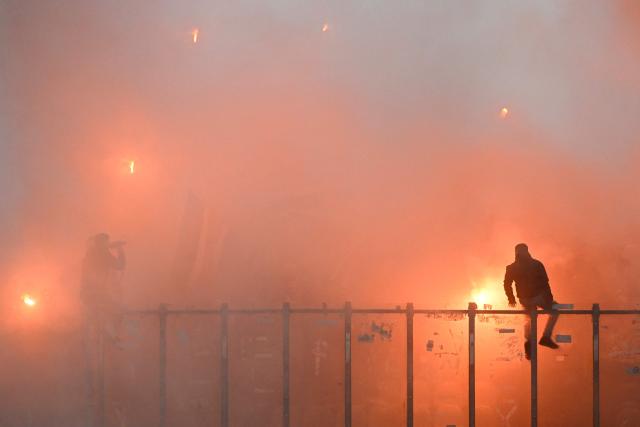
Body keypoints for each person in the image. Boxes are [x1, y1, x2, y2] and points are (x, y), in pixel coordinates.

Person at [503, 243, 559, 360]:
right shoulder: (537, 264)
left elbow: (507, 284)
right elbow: (545, 283)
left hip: (524, 299)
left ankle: (529, 341)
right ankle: (546, 337)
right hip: (538, 297)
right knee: (555, 311)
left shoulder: (512, 267)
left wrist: (511, 298)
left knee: (529, 317)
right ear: (527, 251)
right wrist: (549, 300)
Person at [81, 233, 126, 343]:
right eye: (106, 242)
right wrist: (120, 250)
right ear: (102, 243)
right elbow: (120, 265)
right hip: (98, 293)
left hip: (87, 293)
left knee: (101, 314)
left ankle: (104, 333)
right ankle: (110, 334)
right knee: (120, 310)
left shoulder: (90, 253)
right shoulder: (103, 254)